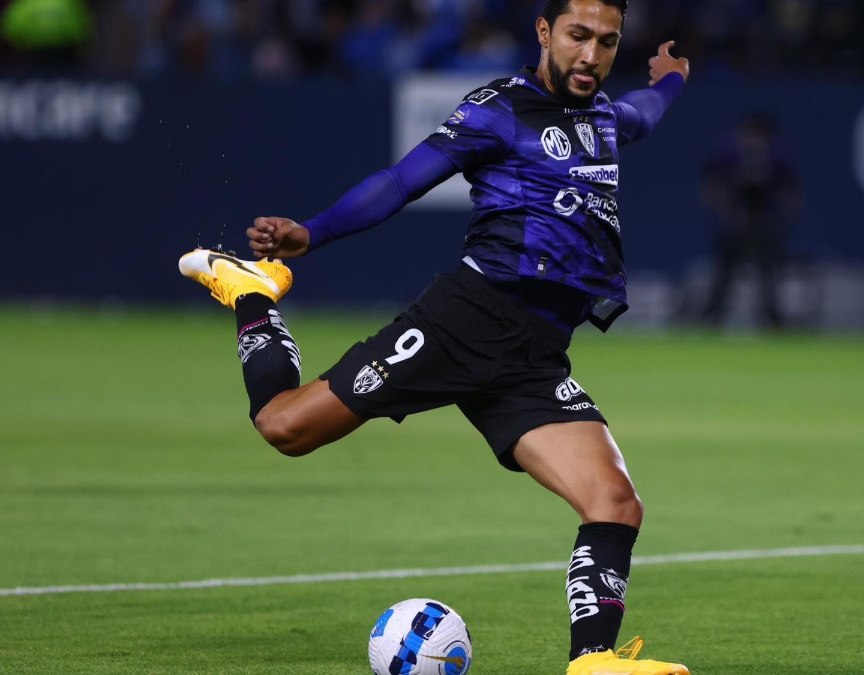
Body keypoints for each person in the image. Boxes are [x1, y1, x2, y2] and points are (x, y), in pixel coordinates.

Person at [177, 1, 690, 673]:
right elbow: (399, 182)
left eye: (607, 41)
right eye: (578, 36)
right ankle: (251, 291)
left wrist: (671, 79)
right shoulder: (498, 110)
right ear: (544, 32)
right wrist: (312, 232)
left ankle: (593, 660)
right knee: (284, 426)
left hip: (534, 353)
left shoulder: (603, 118)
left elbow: (643, 114)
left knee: (615, 502)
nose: (591, 55)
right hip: (467, 319)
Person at [700, 112, 801, 329]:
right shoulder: (729, 151)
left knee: (768, 272)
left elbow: (790, 187)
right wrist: (722, 207)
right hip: (735, 220)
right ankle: (712, 317)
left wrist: (784, 213)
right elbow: (713, 182)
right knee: (726, 272)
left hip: (765, 221)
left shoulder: (776, 154)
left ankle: (772, 318)